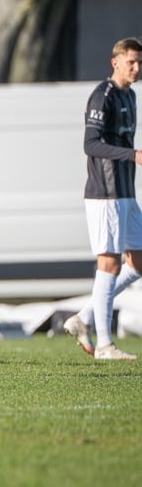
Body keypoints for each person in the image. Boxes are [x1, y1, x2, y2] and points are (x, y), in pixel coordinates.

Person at [63, 37, 142, 361]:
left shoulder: (130, 96)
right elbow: (91, 144)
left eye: (139, 62)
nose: (136, 68)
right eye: (131, 62)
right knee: (108, 264)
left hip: (125, 192)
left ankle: (83, 318)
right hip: (104, 193)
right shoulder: (103, 96)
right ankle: (105, 344)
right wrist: (133, 154)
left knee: (137, 261)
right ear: (115, 63)